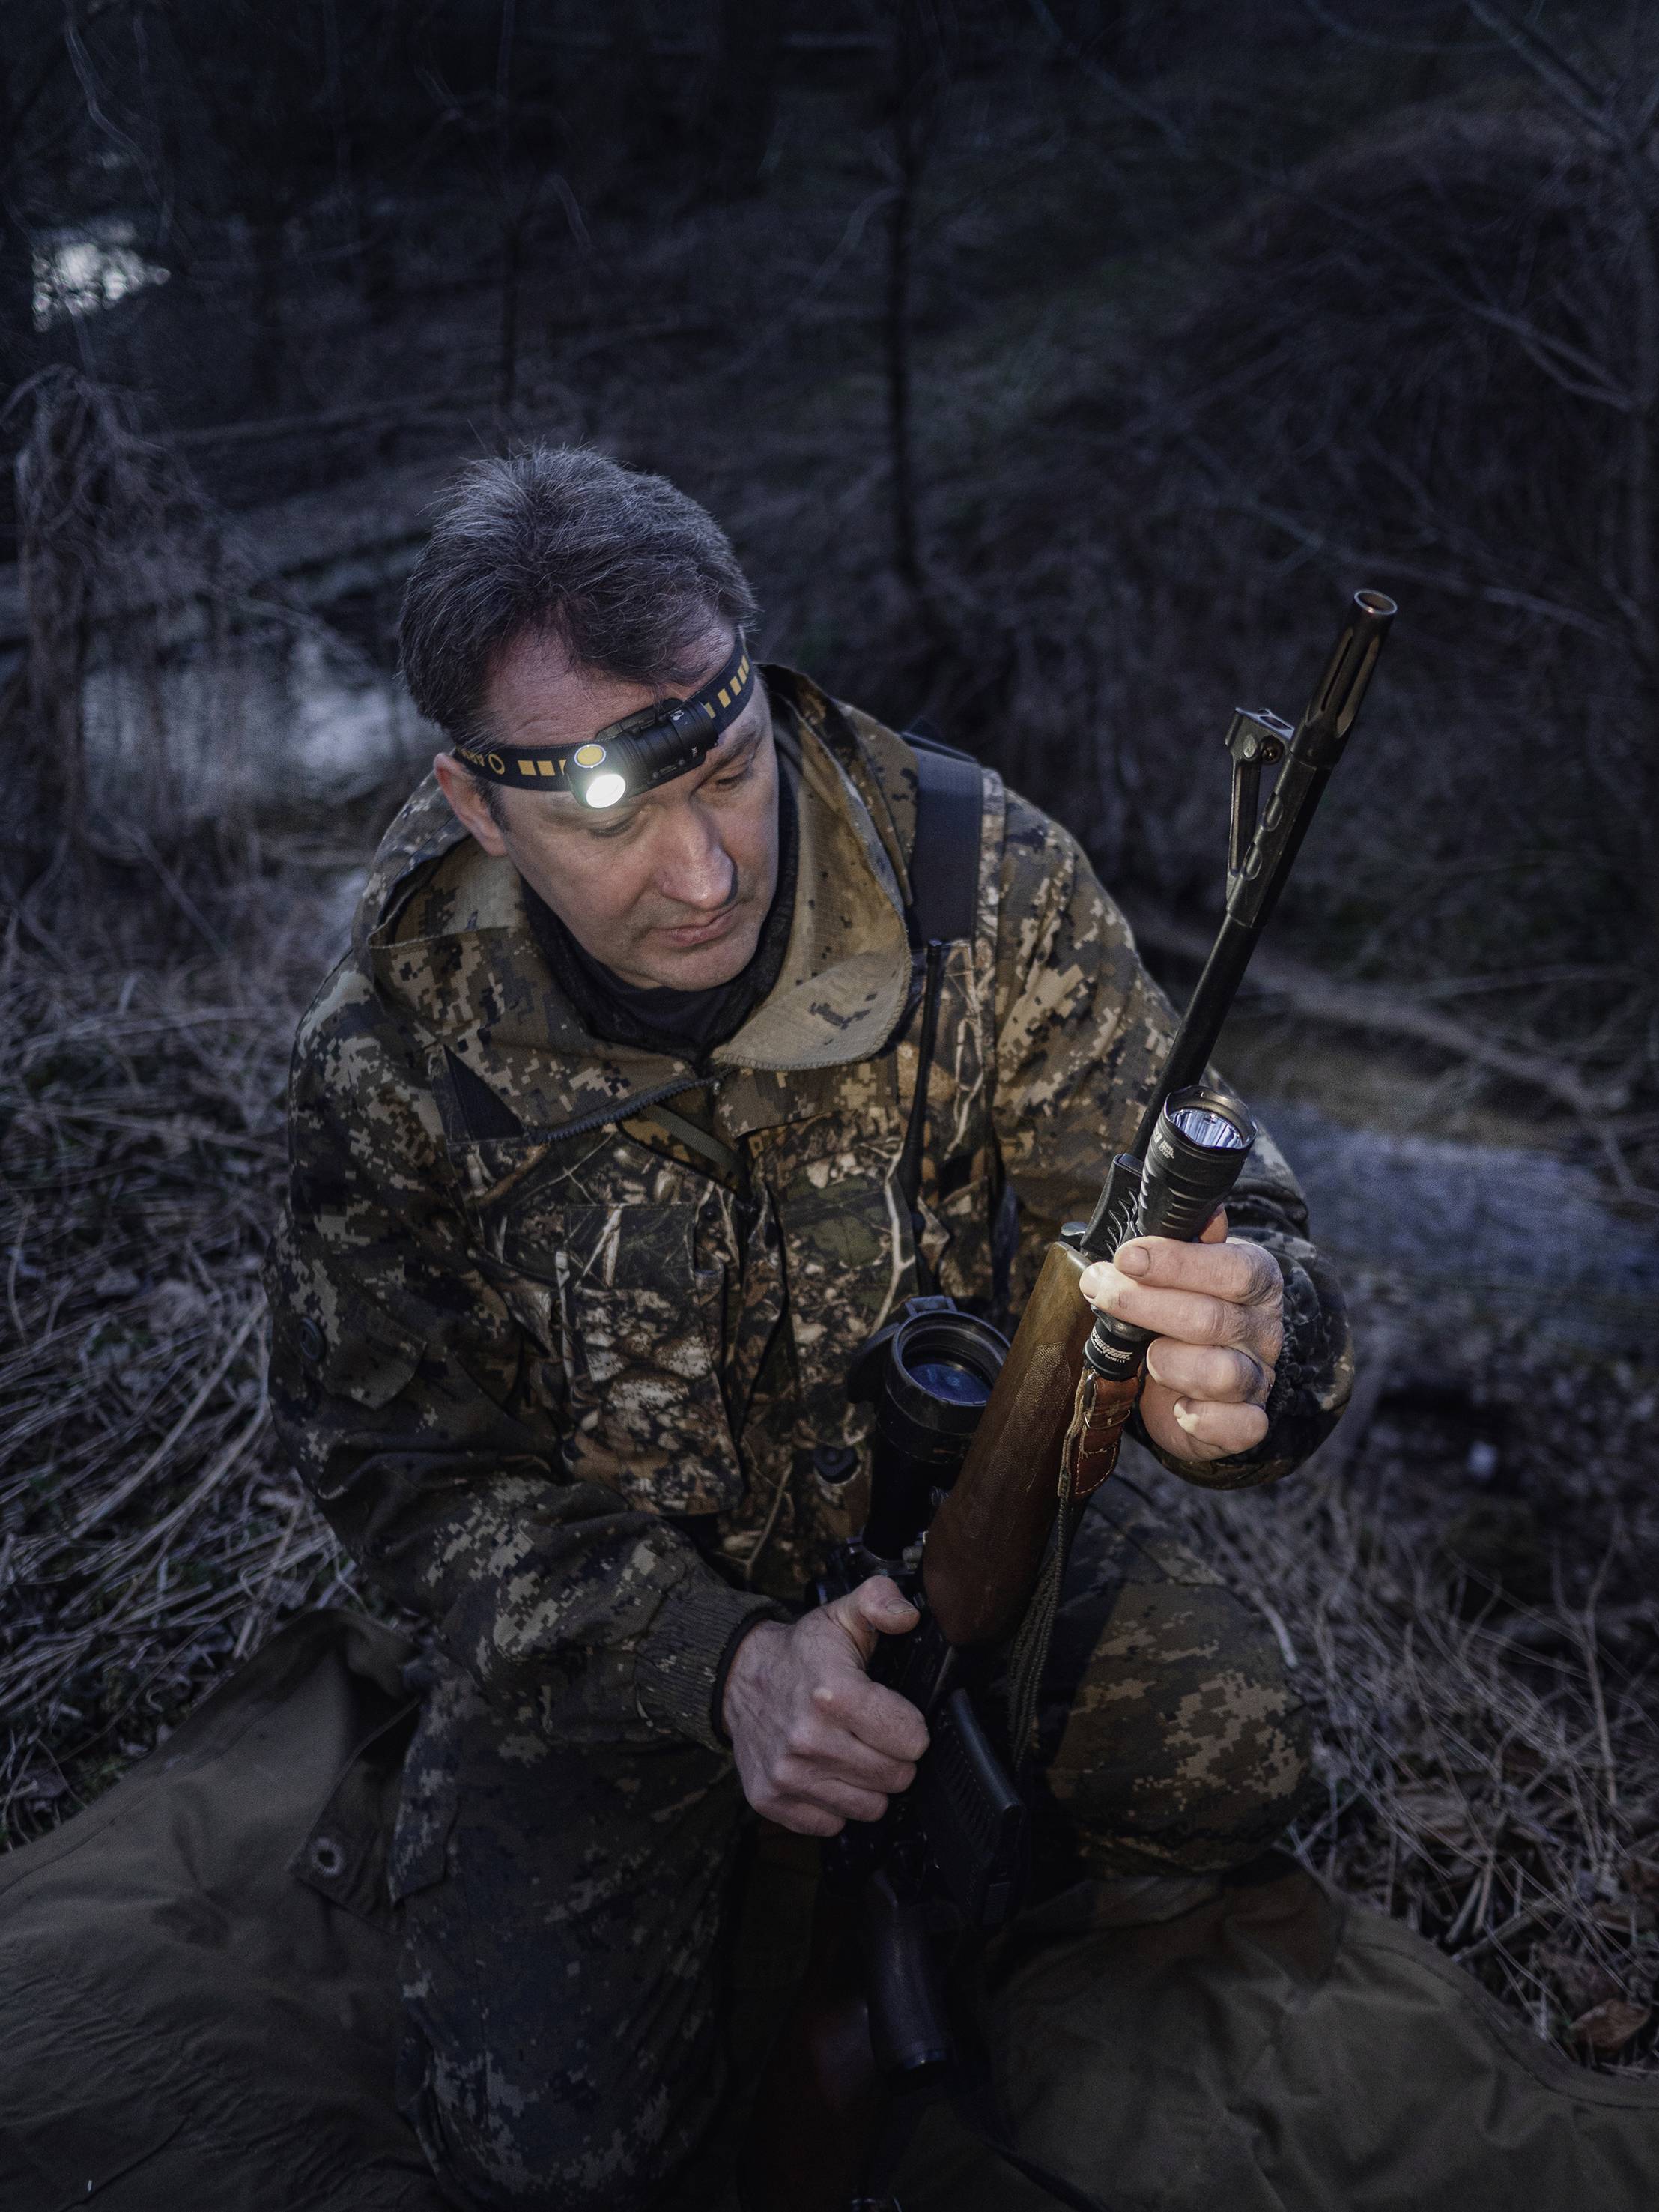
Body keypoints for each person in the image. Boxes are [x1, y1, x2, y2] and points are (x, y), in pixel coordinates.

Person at [266, 446, 1352, 2211]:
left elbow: (1255, 1239)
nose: (700, 871)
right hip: (623, 1638)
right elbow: (396, 1469)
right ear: (480, 806)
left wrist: (1254, 1352)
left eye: (725, 771)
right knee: (546, 2155)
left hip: (948, 1555)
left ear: (760, 688)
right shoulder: (395, 1042)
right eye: (610, 820)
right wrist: (717, 1663)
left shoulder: (979, 876)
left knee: (1242, 1745)